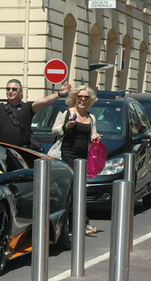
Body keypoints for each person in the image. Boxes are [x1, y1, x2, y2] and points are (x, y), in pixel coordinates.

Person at [52, 85, 100, 235]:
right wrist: (66, 126)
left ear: (90, 100)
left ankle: (78, 223)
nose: (83, 100)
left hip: (83, 157)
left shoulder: (90, 117)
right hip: (67, 155)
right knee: (73, 190)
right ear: (74, 98)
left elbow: (93, 134)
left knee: (81, 190)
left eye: (86, 97)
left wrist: (96, 137)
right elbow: (54, 130)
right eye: (80, 97)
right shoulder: (66, 113)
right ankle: (78, 223)